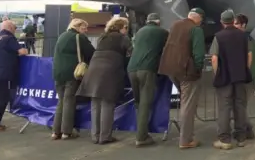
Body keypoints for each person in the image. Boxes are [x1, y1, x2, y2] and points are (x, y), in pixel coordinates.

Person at [76, 16, 132, 145]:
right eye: (125, 27)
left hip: (94, 70)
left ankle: (95, 136)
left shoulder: (102, 37)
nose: (126, 30)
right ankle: (105, 136)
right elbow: (131, 54)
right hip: (110, 72)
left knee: (95, 104)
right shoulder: (123, 38)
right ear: (121, 27)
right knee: (107, 104)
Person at [158, 7, 206, 149]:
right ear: (198, 18)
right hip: (186, 71)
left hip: (170, 69)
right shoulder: (196, 29)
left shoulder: (175, 25)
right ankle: (186, 140)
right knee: (188, 105)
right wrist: (198, 69)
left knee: (185, 102)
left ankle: (186, 135)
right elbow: (198, 53)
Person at [209, 9, 252, 150]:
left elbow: (214, 58)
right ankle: (241, 138)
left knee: (224, 108)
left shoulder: (218, 37)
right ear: (233, 20)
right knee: (240, 106)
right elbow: (249, 55)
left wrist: (217, 74)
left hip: (225, 77)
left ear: (222, 22)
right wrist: (246, 69)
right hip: (240, 76)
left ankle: (225, 139)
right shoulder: (243, 36)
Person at [127, 13, 169, 147]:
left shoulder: (139, 32)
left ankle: (141, 130)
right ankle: (141, 136)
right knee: (146, 103)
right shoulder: (162, 32)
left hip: (132, 68)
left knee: (138, 102)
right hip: (147, 69)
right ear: (158, 21)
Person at [51, 18, 95, 140]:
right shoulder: (79, 38)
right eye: (84, 28)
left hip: (58, 73)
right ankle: (66, 132)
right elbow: (92, 52)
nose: (86, 30)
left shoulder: (62, 36)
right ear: (77, 27)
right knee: (69, 101)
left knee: (61, 101)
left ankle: (55, 131)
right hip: (73, 73)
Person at [0, 20, 28, 132]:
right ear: (10, 28)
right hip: (1, 73)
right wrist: (21, 51)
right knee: (3, 99)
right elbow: (22, 51)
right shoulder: (9, 38)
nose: (15, 29)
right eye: (14, 27)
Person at [234, 13, 255, 140]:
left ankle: (246, 130)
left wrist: (244, 72)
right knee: (241, 104)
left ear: (243, 25)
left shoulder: (245, 38)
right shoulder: (248, 38)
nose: (233, 26)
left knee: (240, 105)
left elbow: (249, 58)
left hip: (246, 76)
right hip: (249, 75)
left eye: (235, 23)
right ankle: (247, 130)